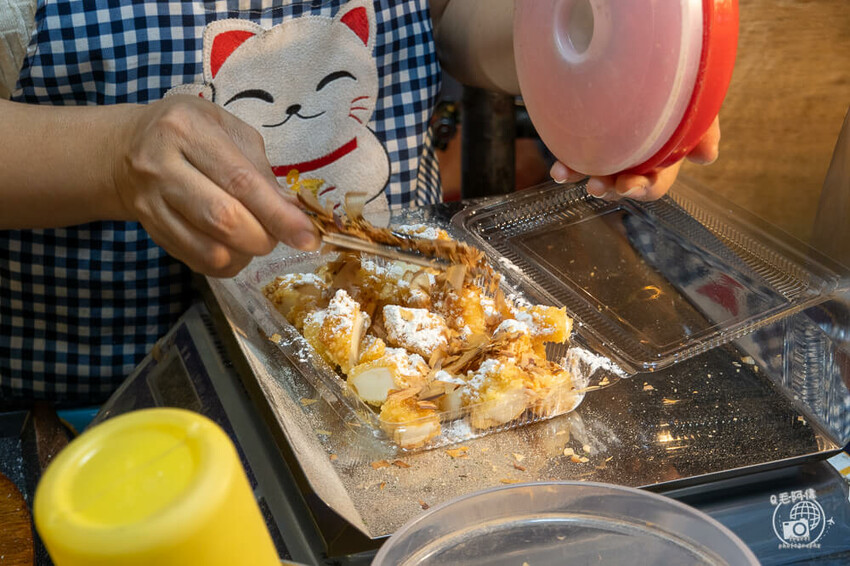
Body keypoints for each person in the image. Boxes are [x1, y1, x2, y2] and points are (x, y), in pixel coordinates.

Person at [0, 0, 720, 405]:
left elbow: (451, 21)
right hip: (101, 396)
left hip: (398, 368)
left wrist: (590, 58)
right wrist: (110, 156)